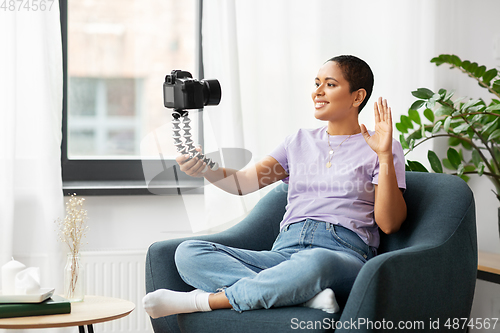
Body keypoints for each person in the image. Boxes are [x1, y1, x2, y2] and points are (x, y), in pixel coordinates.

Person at [143, 55, 407, 318]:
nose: (317, 91)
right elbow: (245, 182)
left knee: (315, 263)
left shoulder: (383, 146)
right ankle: (300, 294)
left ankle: (204, 301)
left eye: (330, 84)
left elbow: (389, 224)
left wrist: (384, 156)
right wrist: (206, 169)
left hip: (340, 254)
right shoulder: (298, 141)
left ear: (357, 97)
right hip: (284, 252)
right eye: (316, 83)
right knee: (190, 253)